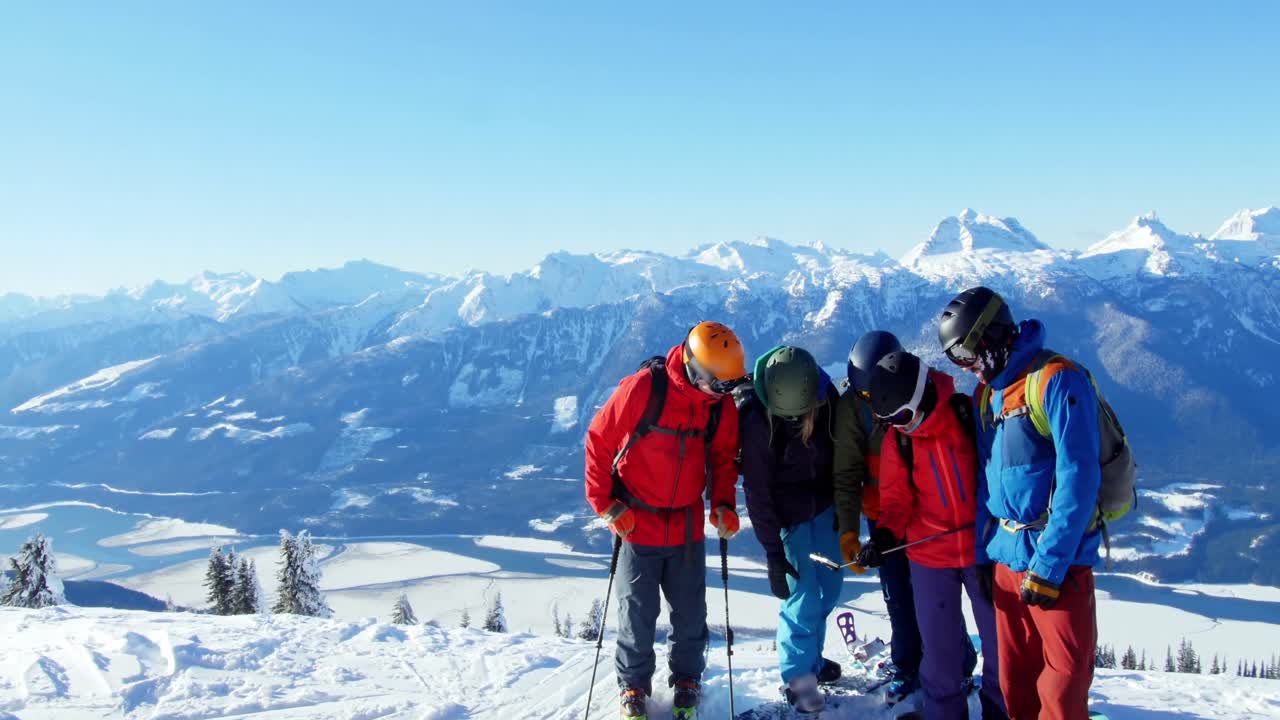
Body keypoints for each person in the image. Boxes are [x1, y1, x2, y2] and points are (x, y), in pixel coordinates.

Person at [938, 287, 1101, 720]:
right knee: (1015, 689)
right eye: (958, 360)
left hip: (1059, 567)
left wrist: (1049, 566)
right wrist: (981, 558)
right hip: (1007, 562)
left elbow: (1079, 477)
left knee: (1062, 697)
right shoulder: (987, 396)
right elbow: (985, 483)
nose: (968, 368)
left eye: (968, 355)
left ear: (991, 338)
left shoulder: (1057, 380)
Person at [583, 321, 746, 720]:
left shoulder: (718, 406)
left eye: (730, 384)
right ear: (697, 371)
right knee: (636, 614)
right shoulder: (644, 389)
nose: (727, 393)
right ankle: (634, 687)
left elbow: (724, 458)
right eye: (720, 384)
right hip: (636, 522)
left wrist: (723, 503)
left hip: (687, 522)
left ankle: (687, 679)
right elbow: (598, 441)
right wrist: (605, 504)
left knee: (691, 613)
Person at [857, 350, 1006, 720]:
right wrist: (886, 536)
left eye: (903, 416)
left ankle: (1002, 711)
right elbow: (895, 500)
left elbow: (998, 474)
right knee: (939, 655)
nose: (900, 426)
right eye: (888, 420)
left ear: (922, 394)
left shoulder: (965, 414)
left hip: (982, 550)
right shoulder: (900, 440)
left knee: (1002, 645)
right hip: (929, 557)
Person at [834, 331, 977, 705]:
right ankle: (908, 663)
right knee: (899, 594)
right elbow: (847, 471)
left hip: (932, 516)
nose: (873, 400)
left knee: (936, 597)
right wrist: (852, 530)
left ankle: (957, 663)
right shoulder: (852, 407)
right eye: (867, 395)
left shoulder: (927, 398)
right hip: (885, 516)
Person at [739, 345, 844, 714]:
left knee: (830, 587)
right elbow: (758, 492)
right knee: (802, 595)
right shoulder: (756, 421)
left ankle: (812, 662)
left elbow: (841, 456)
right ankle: (799, 676)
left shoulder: (825, 396)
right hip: (787, 517)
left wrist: (843, 511)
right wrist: (772, 553)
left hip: (824, 507)